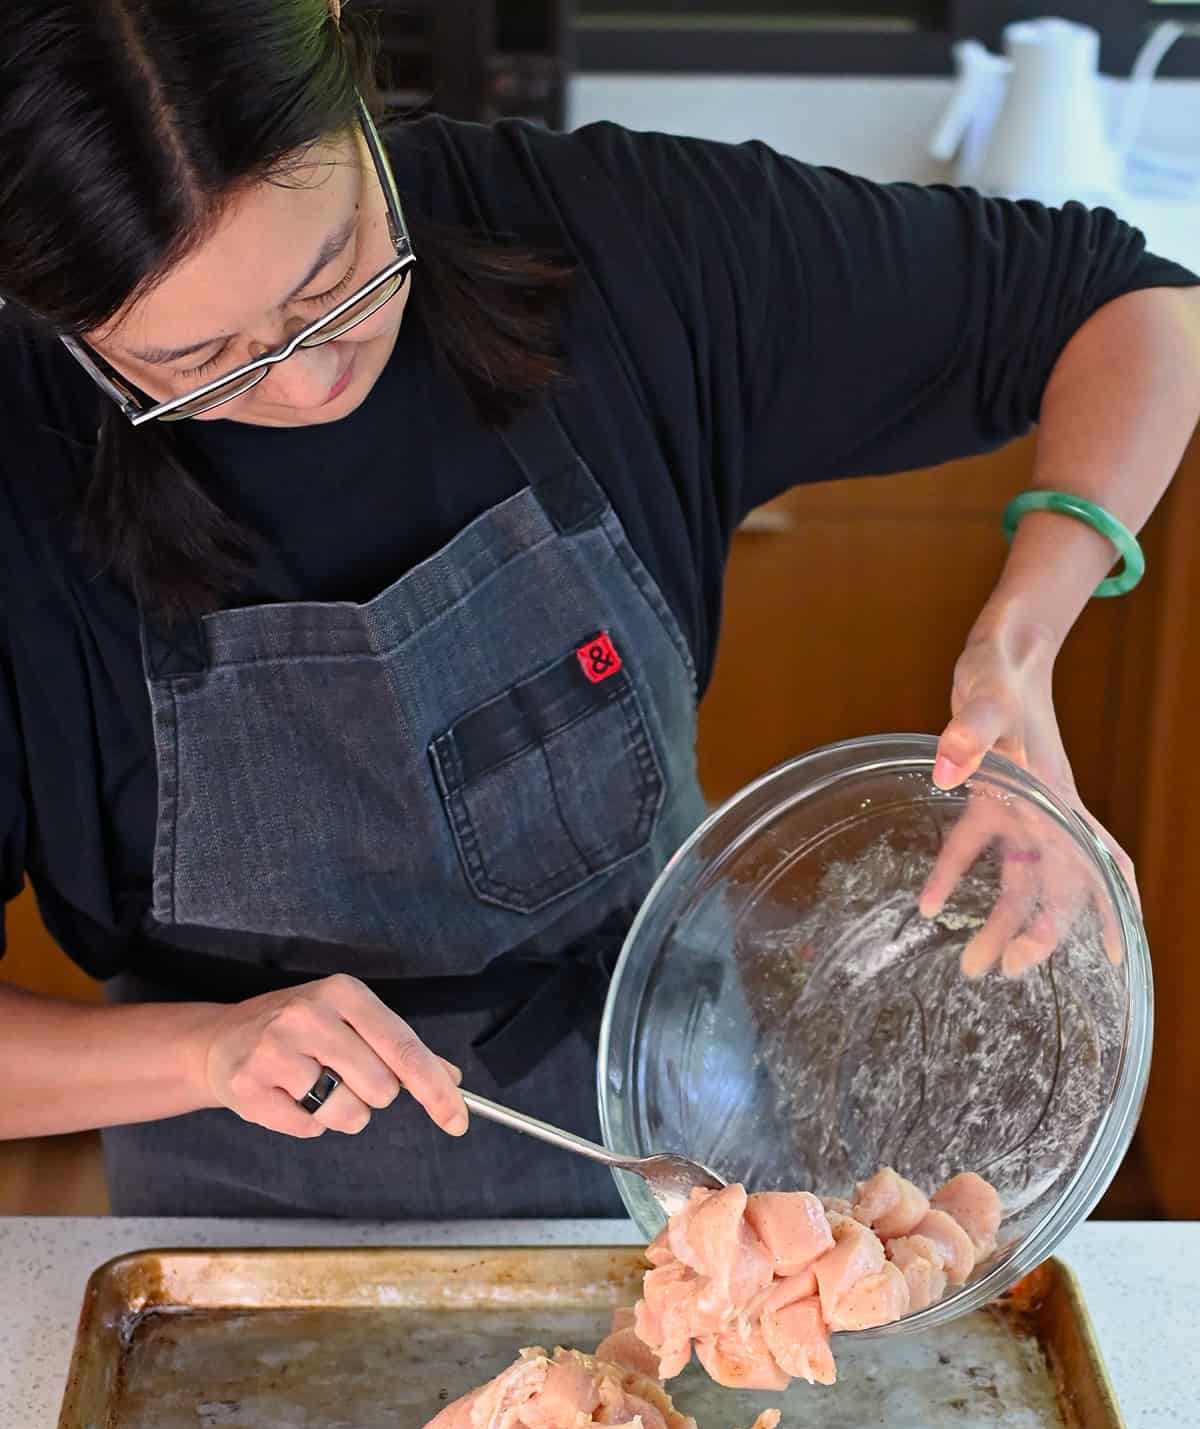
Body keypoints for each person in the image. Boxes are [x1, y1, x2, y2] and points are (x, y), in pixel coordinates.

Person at [0, 1, 1197, 1220]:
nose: (311, 379)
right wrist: (205, 1052)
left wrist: (1020, 644)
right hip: (247, 1210)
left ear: (363, 116)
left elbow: (1133, 305)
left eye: (339, 275)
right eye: (206, 365)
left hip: (697, 1149)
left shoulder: (607, 239)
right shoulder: (14, 466)